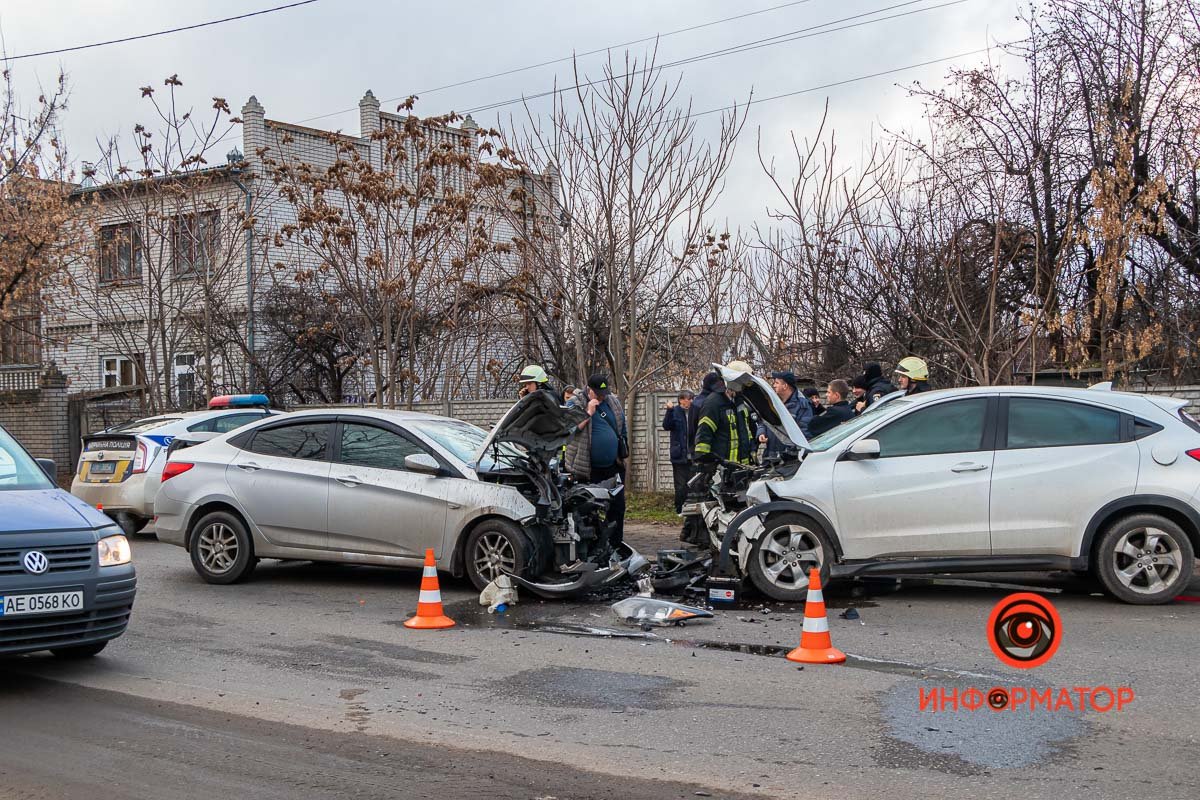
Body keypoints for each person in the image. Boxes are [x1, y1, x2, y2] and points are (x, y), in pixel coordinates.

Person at [563, 374, 628, 548]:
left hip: (613, 466)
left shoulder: (612, 401)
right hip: (587, 469)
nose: (602, 396)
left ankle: (615, 545)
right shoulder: (575, 403)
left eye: (604, 393)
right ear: (589, 389)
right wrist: (588, 413)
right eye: (598, 393)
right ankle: (592, 548)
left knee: (617, 507)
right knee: (590, 511)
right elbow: (568, 429)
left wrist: (622, 447)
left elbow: (622, 425)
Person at [694, 371, 755, 466]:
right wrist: (704, 460)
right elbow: (705, 432)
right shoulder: (713, 403)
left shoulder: (739, 401)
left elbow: (747, 429)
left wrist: (752, 448)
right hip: (722, 466)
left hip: (742, 466)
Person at [757, 370, 812, 459]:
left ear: (785, 386)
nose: (774, 385)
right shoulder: (772, 402)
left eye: (777, 383)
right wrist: (761, 432)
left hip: (790, 458)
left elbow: (804, 433)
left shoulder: (802, 406)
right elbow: (763, 420)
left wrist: (792, 452)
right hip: (771, 455)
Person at [662, 390, 696, 514]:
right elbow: (666, 425)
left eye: (692, 398)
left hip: (692, 455)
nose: (691, 401)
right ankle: (679, 509)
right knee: (680, 485)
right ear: (681, 400)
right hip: (679, 456)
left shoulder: (694, 412)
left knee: (693, 484)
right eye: (689, 398)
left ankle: (691, 509)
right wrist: (669, 411)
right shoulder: (675, 411)